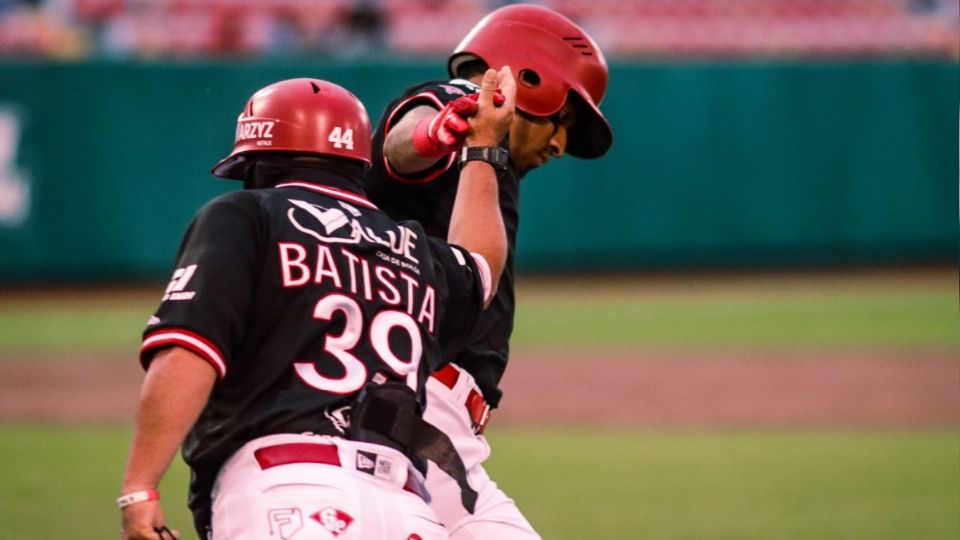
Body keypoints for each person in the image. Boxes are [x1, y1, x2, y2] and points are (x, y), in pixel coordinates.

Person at [118, 68, 516, 540]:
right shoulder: (415, 250)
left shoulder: (247, 216)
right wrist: (483, 150)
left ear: (258, 163)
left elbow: (189, 351)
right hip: (409, 510)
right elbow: (481, 270)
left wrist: (140, 487)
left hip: (286, 490)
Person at [363, 4, 613, 538]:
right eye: (563, 119)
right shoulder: (462, 103)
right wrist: (436, 131)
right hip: (408, 418)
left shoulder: (492, 156)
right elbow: (400, 144)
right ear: (528, 77)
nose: (561, 144)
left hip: (437, 434)